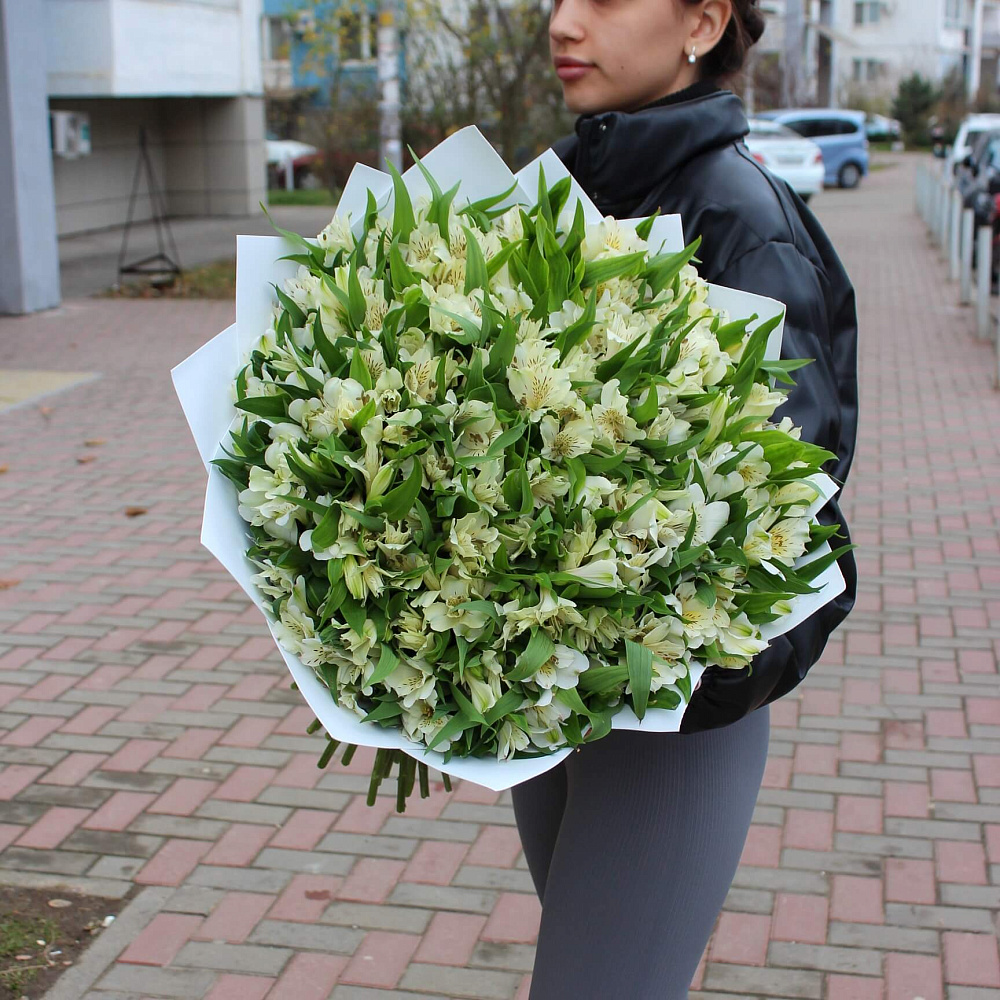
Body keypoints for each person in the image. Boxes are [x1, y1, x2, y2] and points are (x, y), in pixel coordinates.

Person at [509, 1, 859, 996]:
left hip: (670, 715)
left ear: (702, 21)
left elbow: (787, 502)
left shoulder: (739, 220)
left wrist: (664, 651)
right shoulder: (564, 194)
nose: (564, 21)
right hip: (547, 681)